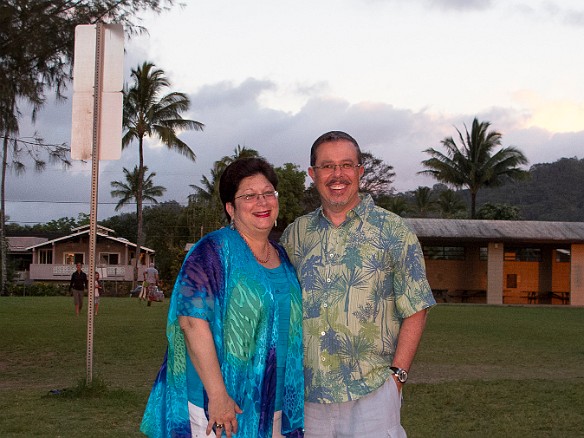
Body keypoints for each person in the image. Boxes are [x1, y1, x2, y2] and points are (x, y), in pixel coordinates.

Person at [281, 131, 436, 437]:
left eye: (346, 165)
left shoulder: (394, 231)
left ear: (360, 171)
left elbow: (417, 307)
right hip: (308, 397)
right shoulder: (295, 234)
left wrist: (397, 379)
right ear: (312, 174)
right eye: (327, 166)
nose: (337, 174)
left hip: (373, 393)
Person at [141, 157, 304, 438]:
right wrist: (218, 396)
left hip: (271, 400)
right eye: (249, 196)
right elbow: (192, 322)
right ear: (231, 208)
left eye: (268, 193)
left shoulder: (283, 257)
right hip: (221, 404)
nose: (262, 202)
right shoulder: (213, 251)